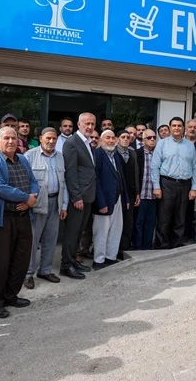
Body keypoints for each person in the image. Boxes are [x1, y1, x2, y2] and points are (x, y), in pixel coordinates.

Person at [0, 126, 39, 318]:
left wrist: (32, 197)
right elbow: (0, 187)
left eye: (13, 138)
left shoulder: (23, 159)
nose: (10, 141)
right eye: (6, 138)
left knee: (21, 260)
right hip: (1, 219)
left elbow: (33, 181)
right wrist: (26, 198)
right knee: (0, 262)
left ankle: (11, 296)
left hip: (23, 218)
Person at [23, 127, 68, 289]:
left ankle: (45, 270)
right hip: (37, 203)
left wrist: (64, 205)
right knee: (33, 240)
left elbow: (64, 183)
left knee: (51, 238)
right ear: (41, 138)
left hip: (55, 202)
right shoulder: (30, 155)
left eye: (54, 138)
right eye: (48, 138)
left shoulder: (60, 157)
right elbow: (24, 182)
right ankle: (28, 273)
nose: (51, 141)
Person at [151, 117, 196, 249]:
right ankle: (162, 244)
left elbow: (194, 167)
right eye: (174, 126)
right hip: (167, 183)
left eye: (179, 126)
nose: (176, 128)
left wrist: (194, 188)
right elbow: (155, 166)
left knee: (181, 216)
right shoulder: (162, 144)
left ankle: (177, 243)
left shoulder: (190, 145)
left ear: (183, 128)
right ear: (170, 128)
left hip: (185, 184)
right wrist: (156, 187)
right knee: (164, 216)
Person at [61, 112, 98, 279]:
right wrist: (76, 197)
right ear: (79, 124)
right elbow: (70, 172)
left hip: (88, 195)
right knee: (72, 232)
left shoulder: (87, 143)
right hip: (78, 198)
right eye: (86, 123)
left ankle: (73, 261)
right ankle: (66, 265)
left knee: (79, 232)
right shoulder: (72, 143)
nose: (89, 127)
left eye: (92, 124)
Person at [92, 130, 129, 269]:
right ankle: (99, 260)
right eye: (108, 138)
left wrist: (125, 198)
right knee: (101, 232)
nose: (111, 140)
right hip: (104, 200)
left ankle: (110, 257)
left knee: (116, 229)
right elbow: (95, 180)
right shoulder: (97, 155)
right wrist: (100, 202)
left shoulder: (115, 155)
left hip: (117, 197)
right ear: (101, 141)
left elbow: (121, 178)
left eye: (113, 138)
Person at [116, 129, 141, 258]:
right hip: (117, 194)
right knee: (116, 223)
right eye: (123, 137)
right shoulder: (113, 152)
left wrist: (137, 192)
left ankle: (124, 250)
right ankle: (114, 250)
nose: (126, 139)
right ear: (117, 139)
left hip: (130, 194)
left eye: (127, 137)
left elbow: (136, 173)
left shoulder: (133, 153)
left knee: (128, 222)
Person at [77, 129, 100, 262]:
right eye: (92, 137)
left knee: (90, 225)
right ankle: (77, 252)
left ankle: (85, 249)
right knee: (81, 226)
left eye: (96, 138)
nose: (94, 140)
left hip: (95, 194)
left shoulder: (98, 153)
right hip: (83, 194)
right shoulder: (83, 151)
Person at [135, 129, 158, 250]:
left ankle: (147, 247)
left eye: (154, 137)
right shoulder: (136, 154)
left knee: (150, 223)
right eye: (149, 138)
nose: (152, 139)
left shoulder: (159, 154)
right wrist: (136, 193)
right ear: (143, 140)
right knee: (138, 223)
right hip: (141, 195)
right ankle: (138, 247)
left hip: (154, 196)